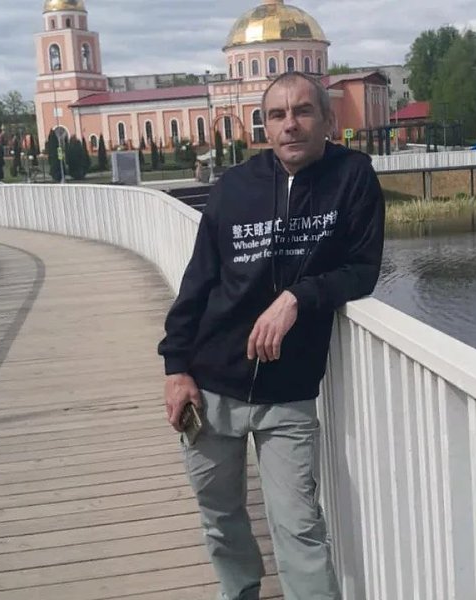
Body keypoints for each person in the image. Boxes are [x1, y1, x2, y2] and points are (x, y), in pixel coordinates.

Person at [158, 71, 385, 600]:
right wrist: (176, 367)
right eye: (277, 115)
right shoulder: (235, 187)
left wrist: (297, 297)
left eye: (303, 111)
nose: (290, 124)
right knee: (220, 517)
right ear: (264, 125)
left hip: (288, 393)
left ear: (327, 120)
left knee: (299, 526)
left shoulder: (351, 177)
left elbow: (362, 270)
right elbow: (198, 281)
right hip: (212, 384)